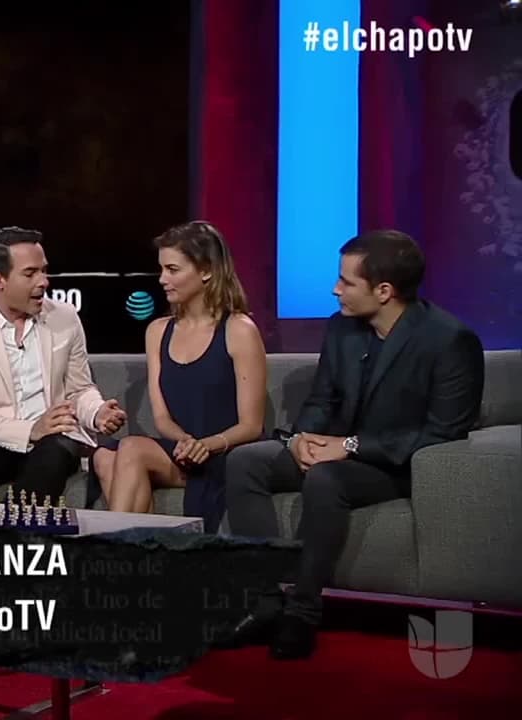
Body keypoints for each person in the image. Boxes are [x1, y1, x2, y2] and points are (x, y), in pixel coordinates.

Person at [221, 229, 485, 659]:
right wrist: (302, 438)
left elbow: (443, 432)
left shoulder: (449, 340)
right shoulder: (342, 328)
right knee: (246, 461)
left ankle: (302, 612)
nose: (335, 289)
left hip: (393, 464)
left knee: (326, 479)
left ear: (384, 291)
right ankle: (264, 602)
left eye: (346, 281)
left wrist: (350, 445)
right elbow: (323, 399)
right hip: (335, 450)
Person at [94, 221, 267, 532]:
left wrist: (206, 445)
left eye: (173, 270)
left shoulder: (239, 330)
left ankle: (114, 551)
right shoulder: (157, 331)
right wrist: (185, 442)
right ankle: (137, 550)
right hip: (180, 448)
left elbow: (251, 426)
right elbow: (162, 418)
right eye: (162, 269)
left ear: (206, 271)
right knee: (105, 457)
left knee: (130, 449)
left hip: (224, 452)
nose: (163, 279)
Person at [0, 226, 128, 503]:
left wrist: (96, 413)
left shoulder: (64, 318)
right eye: (30, 274)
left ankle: (15, 529)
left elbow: (79, 389)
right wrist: (29, 430)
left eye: (44, 271)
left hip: (53, 440)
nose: (44, 282)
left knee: (54, 453)